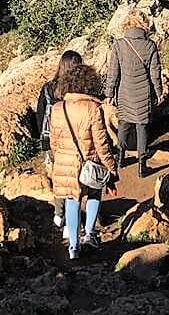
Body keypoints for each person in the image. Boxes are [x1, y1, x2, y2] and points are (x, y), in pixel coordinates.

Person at [48, 61, 117, 260]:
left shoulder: (58, 108)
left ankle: (73, 247)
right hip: (90, 162)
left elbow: (54, 142)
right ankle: (89, 234)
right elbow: (101, 143)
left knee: (72, 200)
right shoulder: (93, 108)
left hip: (65, 163)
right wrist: (111, 168)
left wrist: (59, 160)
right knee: (94, 194)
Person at [107, 10, 164, 178]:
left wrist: (109, 93)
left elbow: (113, 72)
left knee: (123, 124)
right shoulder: (150, 46)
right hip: (143, 92)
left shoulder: (119, 44)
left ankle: (120, 159)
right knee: (142, 127)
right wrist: (159, 92)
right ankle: (142, 165)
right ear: (144, 25)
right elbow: (155, 73)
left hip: (124, 91)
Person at [38, 50, 84, 229]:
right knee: (74, 177)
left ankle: (59, 214)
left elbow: (40, 115)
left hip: (51, 139)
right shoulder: (78, 90)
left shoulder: (48, 88)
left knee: (58, 177)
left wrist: (44, 141)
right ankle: (73, 220)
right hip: (74, 139)